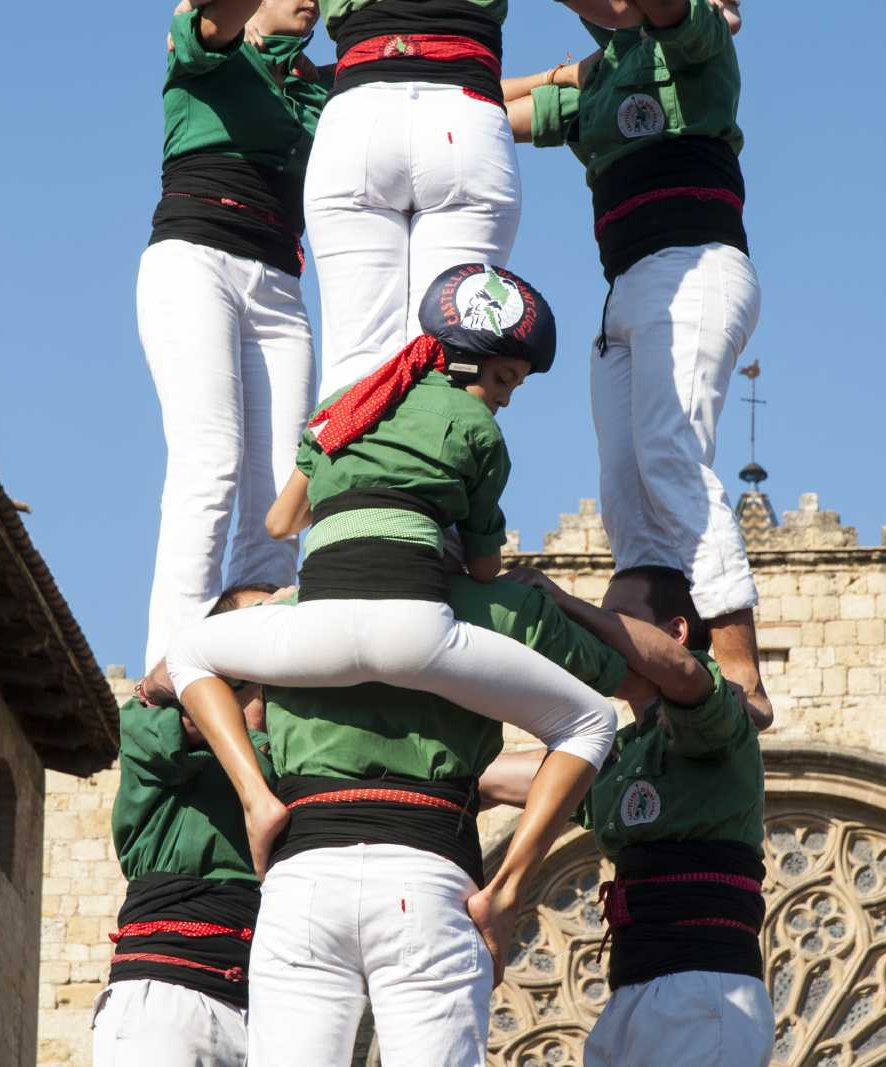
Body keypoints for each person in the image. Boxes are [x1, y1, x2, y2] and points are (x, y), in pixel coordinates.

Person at [161, 264, 618, 890]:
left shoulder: (340, 412)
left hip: (316, 633)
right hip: (416, 634)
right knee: (592, 721)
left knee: (187, 652)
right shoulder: (478, 428)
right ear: (464, 363)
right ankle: (507, 890)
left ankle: (255, 798)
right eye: (506, 377)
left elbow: (278, 522)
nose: (507, 395)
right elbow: (484, 567)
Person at [503, 0, 773, 728]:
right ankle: (661, 661)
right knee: (628, 497)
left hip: (692, 266)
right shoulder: (604, 77)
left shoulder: (698, 43)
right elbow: (483, 108)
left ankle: (742, 661)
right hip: (624, 294)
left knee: (667, 454)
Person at [247, 577, 643, 1067]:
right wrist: (509, 890)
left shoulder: (294, 611)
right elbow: (634, 682)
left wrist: (253, 795)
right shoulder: (497, 607)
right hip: (424, 876)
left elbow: (175, 671)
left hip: (305, 877)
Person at [481, 563, 772, 1067]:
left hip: (704, 992)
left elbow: (683, 674)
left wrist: (570, 604)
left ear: (676, 632)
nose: (603, 639)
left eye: (616, 622)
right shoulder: (622, 751)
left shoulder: (722, 720)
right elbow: (524, 778)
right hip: (632, 993)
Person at [138, 0, 332, 678]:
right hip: (196, 260)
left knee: (285, 490)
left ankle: (260, 670)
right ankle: (173, 665)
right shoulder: (208, 39)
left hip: (279, 287)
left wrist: (565, 80)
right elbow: (214, 22)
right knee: (210, 460)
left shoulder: (318, 85)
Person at [94, 584, 287, 1067]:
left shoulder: (304, 756)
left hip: (273, 1012)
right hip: (170, 1003)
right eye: (254, 623)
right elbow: (166, 681)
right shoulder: (158, 724)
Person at [304, 0, 526, 397]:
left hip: (361, 111)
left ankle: (349, 454)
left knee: (355, 360)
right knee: (445, 358)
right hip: (465, 114)